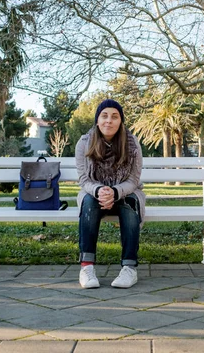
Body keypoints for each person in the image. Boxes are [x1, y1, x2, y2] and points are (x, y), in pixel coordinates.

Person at [75, 99, 146, 289]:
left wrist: (115, 192)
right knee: (89, 202)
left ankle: (129, 268)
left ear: (121, 121)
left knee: (131, 202)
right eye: (104, 116)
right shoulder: (84, 143)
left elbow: (133, 180)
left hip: (124, 193)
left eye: (115, 117)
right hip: (95, 193)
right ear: (97, 120)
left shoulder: (132, 145)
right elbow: (83, 179)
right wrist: (100, 191)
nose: (109, 121)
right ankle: (87, 268)